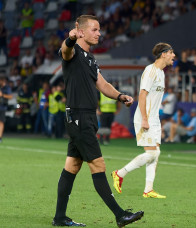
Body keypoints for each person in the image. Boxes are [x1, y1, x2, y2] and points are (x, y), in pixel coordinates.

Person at [52, 15, 143, 227]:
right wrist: (70, 39)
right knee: (98, 164)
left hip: (86, 118)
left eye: (99, 29)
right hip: (79, 117)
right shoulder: (73, 52)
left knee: (72, 166)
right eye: (94, 29)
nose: (99, 33)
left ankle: (59, 217)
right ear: (81, 31)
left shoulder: (91, 59)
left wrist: (120, 95)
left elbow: (102, 85)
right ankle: (120, 215)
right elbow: (65, 51)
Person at [111, 42, 176, 199]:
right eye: (172, 52)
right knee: (152, 153)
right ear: (164, 54)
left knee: (156, 153)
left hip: (154, 118)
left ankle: (148, 189)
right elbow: (142, 95)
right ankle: (119, 173)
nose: (174, 56)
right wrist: (145, 119)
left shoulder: (161, 73)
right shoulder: (150, 71)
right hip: (144, 117)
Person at [0, 76, 13, 143]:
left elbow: (10, 96)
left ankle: (0, 137)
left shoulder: (7, 88)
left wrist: (2, 95)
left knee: (1, 122)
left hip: (2, 107)